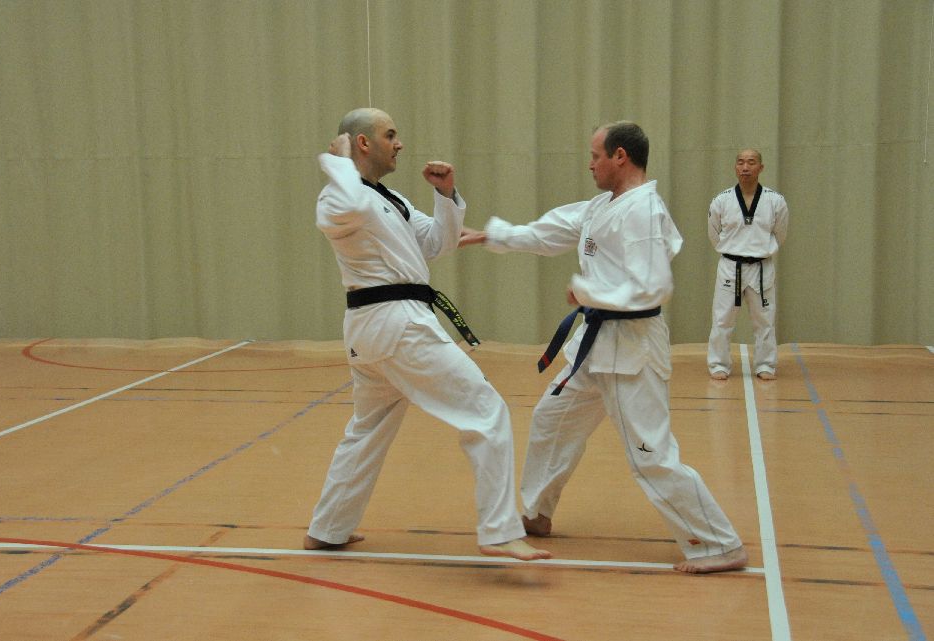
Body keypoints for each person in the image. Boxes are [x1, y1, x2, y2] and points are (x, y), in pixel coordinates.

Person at [460, 121, 747, 573]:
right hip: (594, 347)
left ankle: (719, 543)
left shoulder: (642, 211)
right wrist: (493, 235)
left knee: (650, 456)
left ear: (620, 157)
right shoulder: (603, 205)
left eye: (596, 156)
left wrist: (588, 292)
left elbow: (654, 287)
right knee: (552, 420)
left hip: (632, 349)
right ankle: (537, 512)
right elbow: (551, 231)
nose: (590, 164)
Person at [304, 107, 550, 562]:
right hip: (396, 323)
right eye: (390, 135)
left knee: (368, 429)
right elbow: (350, 204)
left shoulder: (389, 198)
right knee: (486, 410)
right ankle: (498, 531)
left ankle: (328, 527)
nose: (399, 143)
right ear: (363, 143)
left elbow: (437, 243)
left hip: (382, 328)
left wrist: (446, 195)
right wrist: (336, 162)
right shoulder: (337, 196)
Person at [707, 148, 789, 381]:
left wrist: (760, 251)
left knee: (765, 320)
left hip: (761, 267)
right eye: (741, 162)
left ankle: (765, 364)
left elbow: (780, 234)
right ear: (735, 167)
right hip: (730, 266)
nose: (745, 167)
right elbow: (714, 234)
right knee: (722, 319)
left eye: (751, 162)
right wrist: (733, 251)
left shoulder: (775, 201)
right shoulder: (722, 200)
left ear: (760, 167)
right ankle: (719, 364)